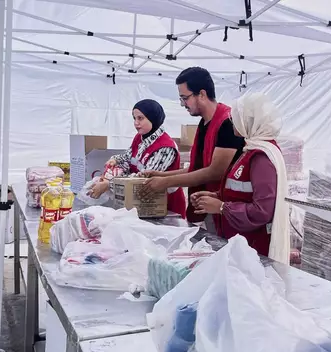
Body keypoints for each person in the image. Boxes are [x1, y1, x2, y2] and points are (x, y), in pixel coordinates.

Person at [189, 93, 290, 264]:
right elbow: (243, 191)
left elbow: (262, 211)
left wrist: (222, 207)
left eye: (236, 117)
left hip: (253, 251)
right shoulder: (249, 150)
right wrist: (217, 196)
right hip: (241, 245)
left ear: (250, 121)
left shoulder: (261, 158)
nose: (232, 121)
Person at [140, 67, 245, 226]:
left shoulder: (227, 123)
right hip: (207, 207)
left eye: (185, 98)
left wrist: (166, 182)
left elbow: (215, 172)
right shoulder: (204, 123)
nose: (183, 104)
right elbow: (198, 168)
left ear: (202, 94)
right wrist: (161, 175)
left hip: (227, 210)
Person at [88, 99, 186, 218]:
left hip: (165, 209)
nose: (136, 123)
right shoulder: (140, 138)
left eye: (141, 118)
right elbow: (128, 157)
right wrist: (116, 160)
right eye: (134, 118)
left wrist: (109, 184)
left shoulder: (164, 148)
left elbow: (143, 181)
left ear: (153, 118)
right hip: (142, 204)